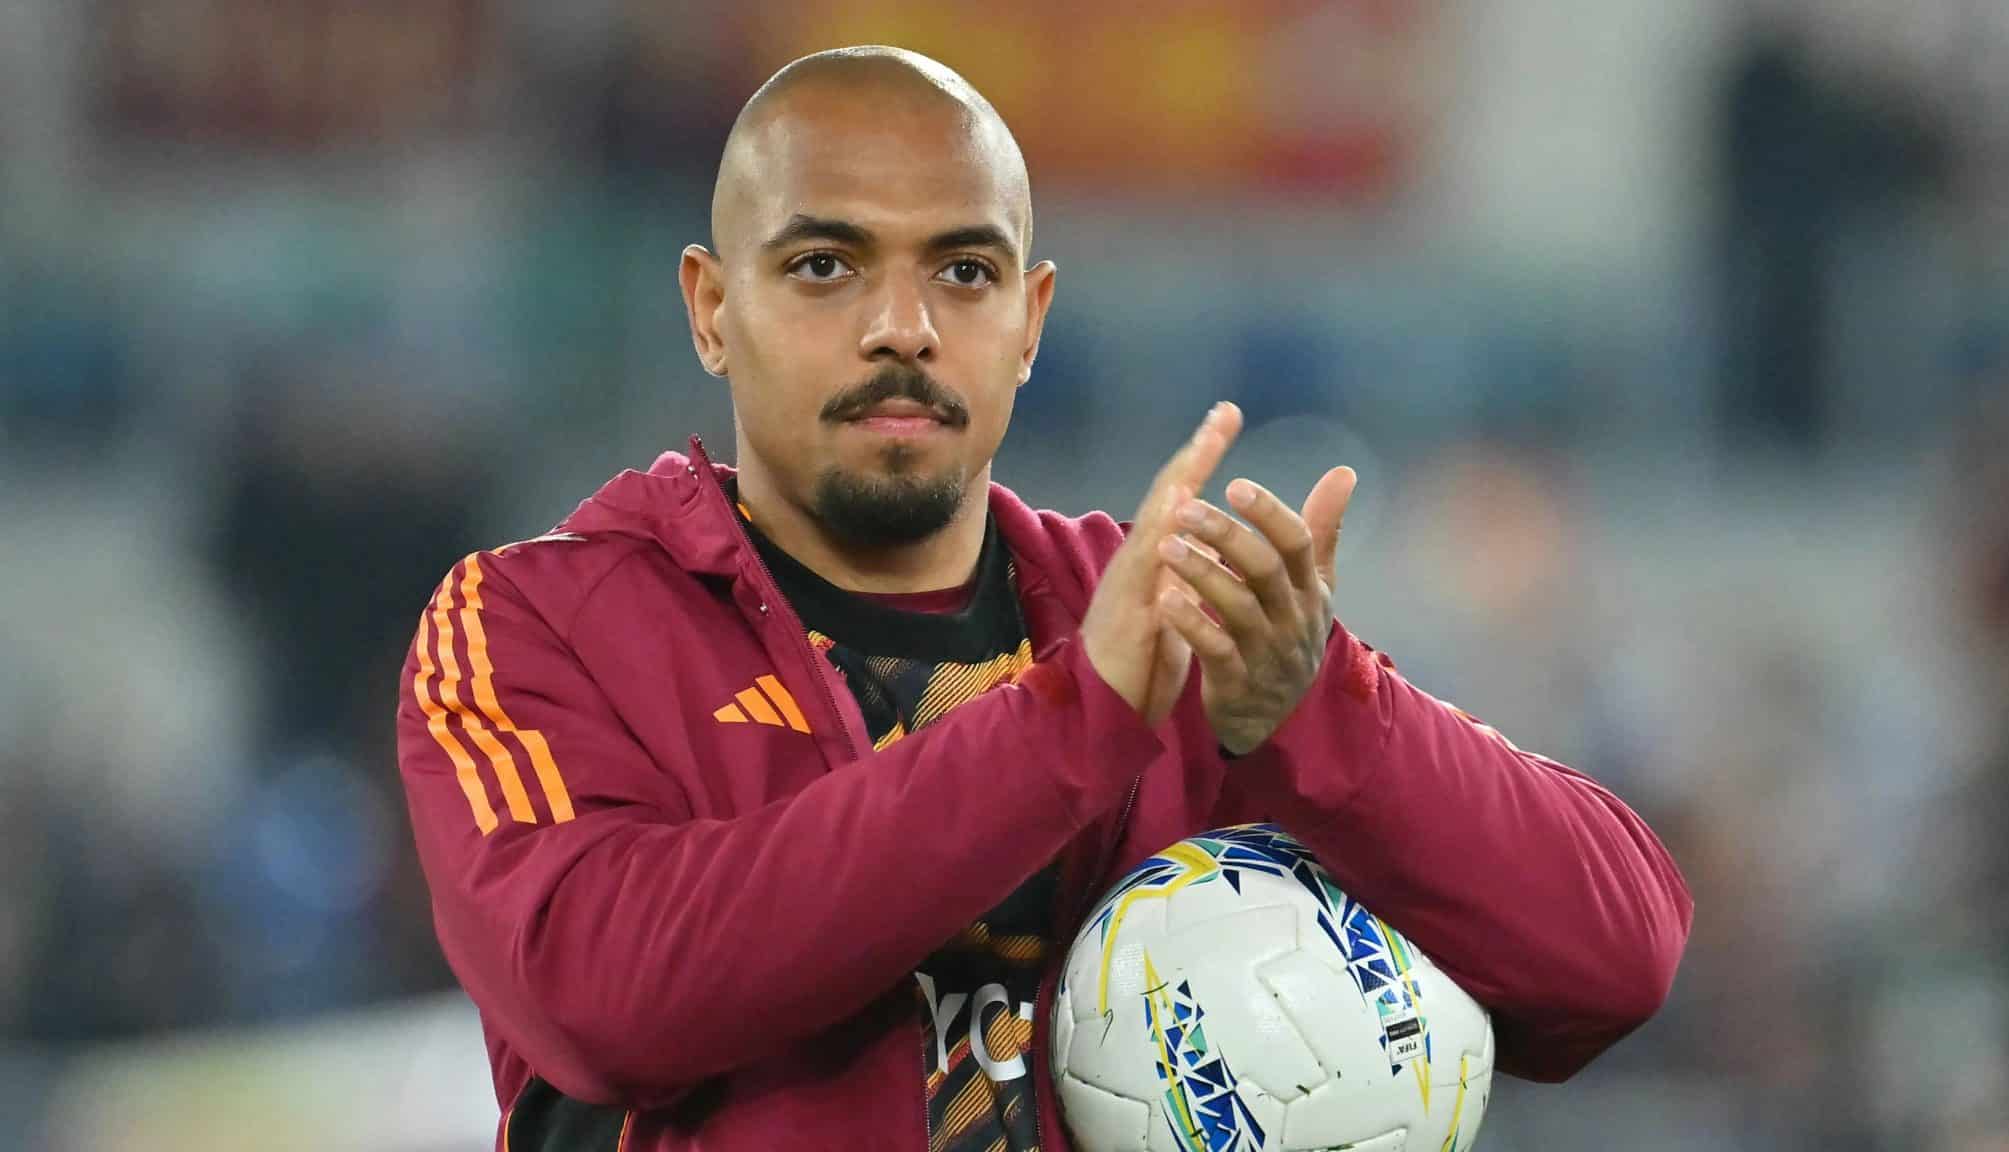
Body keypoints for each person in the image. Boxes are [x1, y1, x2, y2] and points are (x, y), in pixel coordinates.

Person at [395, 46, 1692, 1152]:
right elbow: (603, 994)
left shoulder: (1172, 622)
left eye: (964, 271)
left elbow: (1616, 959)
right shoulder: (538, 622)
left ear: (1031, 318)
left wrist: (1319, 716)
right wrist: (1073, 723)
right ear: (712, 308)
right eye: (826, 266)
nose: (902, 325)